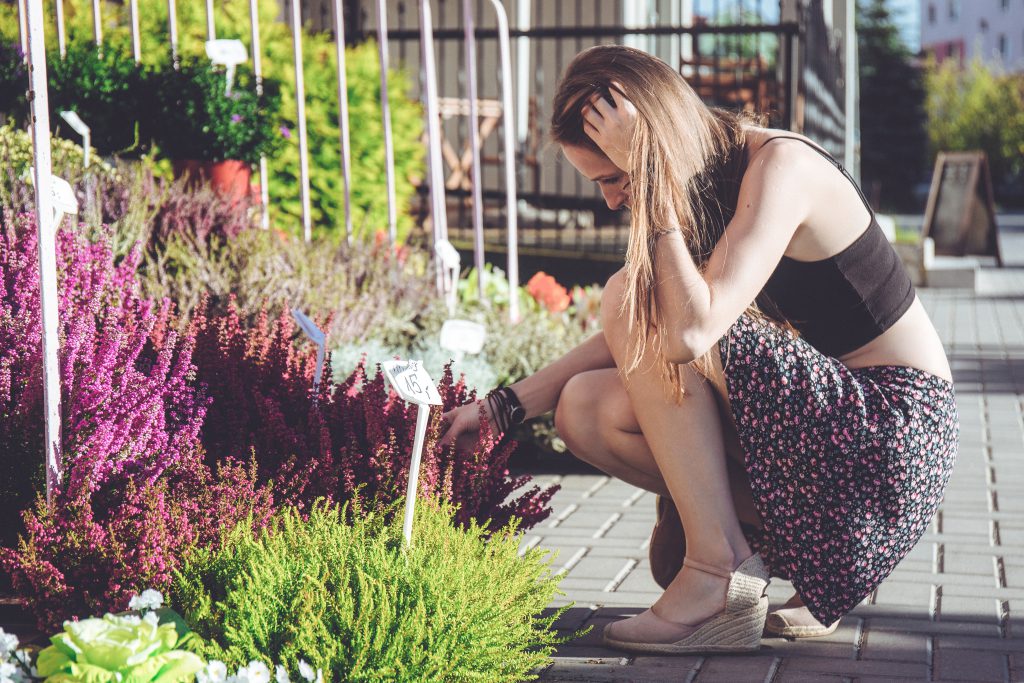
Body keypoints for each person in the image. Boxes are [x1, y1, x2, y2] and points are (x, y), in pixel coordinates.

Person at [439, 45, 958, 655]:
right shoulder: (710, 182)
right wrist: (504, 410)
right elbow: (636, 331)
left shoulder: (782, 167)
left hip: (889, 439)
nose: (610, 200)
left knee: (635, 292)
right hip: (836, 456)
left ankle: (719, 571)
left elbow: (687, 331)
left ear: (652, 144)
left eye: (614, 176)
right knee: (584, 409)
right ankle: (748, 557)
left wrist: (653, 180)